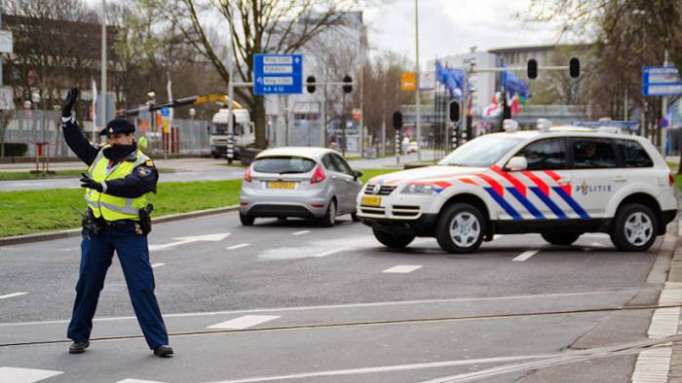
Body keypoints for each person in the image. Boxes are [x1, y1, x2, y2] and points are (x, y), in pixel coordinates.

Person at [60, 88, 173, 358]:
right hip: (96, 231)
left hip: (128, 233)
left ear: (130, 137)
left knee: (141, 286)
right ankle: (78, 336)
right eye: (109, 137)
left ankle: (158, 342)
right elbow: (77, 143)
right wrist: (66, 117)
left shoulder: (144, 163)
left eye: (117, 137)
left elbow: (135, 185)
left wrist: (103, 185)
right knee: (87, 284)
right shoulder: (100, 156)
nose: (112, 142)